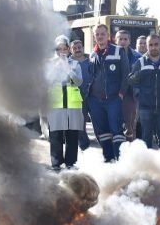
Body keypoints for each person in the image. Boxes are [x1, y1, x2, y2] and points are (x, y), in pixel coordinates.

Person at [87, 24, 130, 162]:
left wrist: (121, 94)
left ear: (108, 35)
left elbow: (126, 75)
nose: (100, 37)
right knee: (102, 131)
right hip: (95, 100)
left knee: (116, 130)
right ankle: (108, 158)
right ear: (94, 37)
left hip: (113, 99)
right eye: (97, 34)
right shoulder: (93, 54)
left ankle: (120, 160)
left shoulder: (118, 51)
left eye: (102, 34)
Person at [45, 36, 84, 171]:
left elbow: (79, 82)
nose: (61, 51)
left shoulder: (74, 64)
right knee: (55, 135)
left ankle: (70, 163)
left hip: (72, 104)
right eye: (58, 49)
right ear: (55, 50)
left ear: (68, 49)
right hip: (55, 103)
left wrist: (67, 68)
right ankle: (56, 163)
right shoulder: (49, 64)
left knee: (72, 136)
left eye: (64, 48)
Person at [127, 34, 160, 149]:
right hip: (145, 107)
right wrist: (138, 76)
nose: (153, 47)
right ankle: (147, 165)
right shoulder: (140, 62)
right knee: (146, 137)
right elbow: (131, 80)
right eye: (150, 45)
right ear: (147, 46)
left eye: (156, 44)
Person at [115, 30, 141, 141]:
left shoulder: (137, 56)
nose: (123, 41)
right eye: (120, 39)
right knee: (116, 123)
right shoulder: (110, 54)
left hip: (131, 93)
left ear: (130, 41)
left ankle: (130, 147)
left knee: (130, 124)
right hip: (115, 93)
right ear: (115, 40)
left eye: (125, 39)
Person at [70, 39, 92, 151]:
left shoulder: (91, 59)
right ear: (71, 50)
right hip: (77, 97)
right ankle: (84, 146)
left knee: (98, 121)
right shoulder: (68, 63)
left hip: (93, 96)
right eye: (75, 48)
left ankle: (104, 143)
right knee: (80, 123)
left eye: (79, 47)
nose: (78, 50)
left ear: (83, 47)